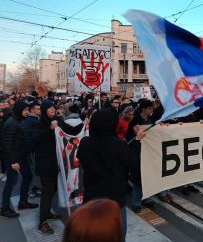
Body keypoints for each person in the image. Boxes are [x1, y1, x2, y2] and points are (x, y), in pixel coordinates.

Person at [77, 109, 134, 241]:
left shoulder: (85, 143)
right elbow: (129, 167)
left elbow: (82, 159)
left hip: (92, 198)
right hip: (115, 200)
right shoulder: (120, 145)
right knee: (118, 236)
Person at [32, 101, 84, 234]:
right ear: (44, 110)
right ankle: (42, 222)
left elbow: (71, 131)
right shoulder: (38, 123)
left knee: (53, 189)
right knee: (47, 191)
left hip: (58, 162)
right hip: (45, 164)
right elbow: (34, 140)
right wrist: (49, 129)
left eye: (53, 107)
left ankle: (47, 212)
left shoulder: (58, 120)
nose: (52, 109)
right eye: (49, 108)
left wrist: (84, 124)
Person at [1, 101, 38, 218]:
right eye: (26, 110)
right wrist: (13, 162)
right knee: (11, 183)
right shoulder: (12, 123)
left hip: (22, 157)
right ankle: (5, 208)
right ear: (19, 110)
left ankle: (23, 202)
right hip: (14, 159)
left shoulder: (20, 121)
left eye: (28, 110)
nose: (28, 112)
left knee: (28, 176)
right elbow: (7, 145)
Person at [126, 99, 155, 212]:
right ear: (143, 109)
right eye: (149, 108)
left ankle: (146, 198)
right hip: (136, 152)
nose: (151, 110)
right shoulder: (135, 120)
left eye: (152, 108)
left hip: (147, 151)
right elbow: (130, 138)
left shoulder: (150, 119)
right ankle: (136, 202)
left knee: (147, 176)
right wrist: (136, 136)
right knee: (138, 177)